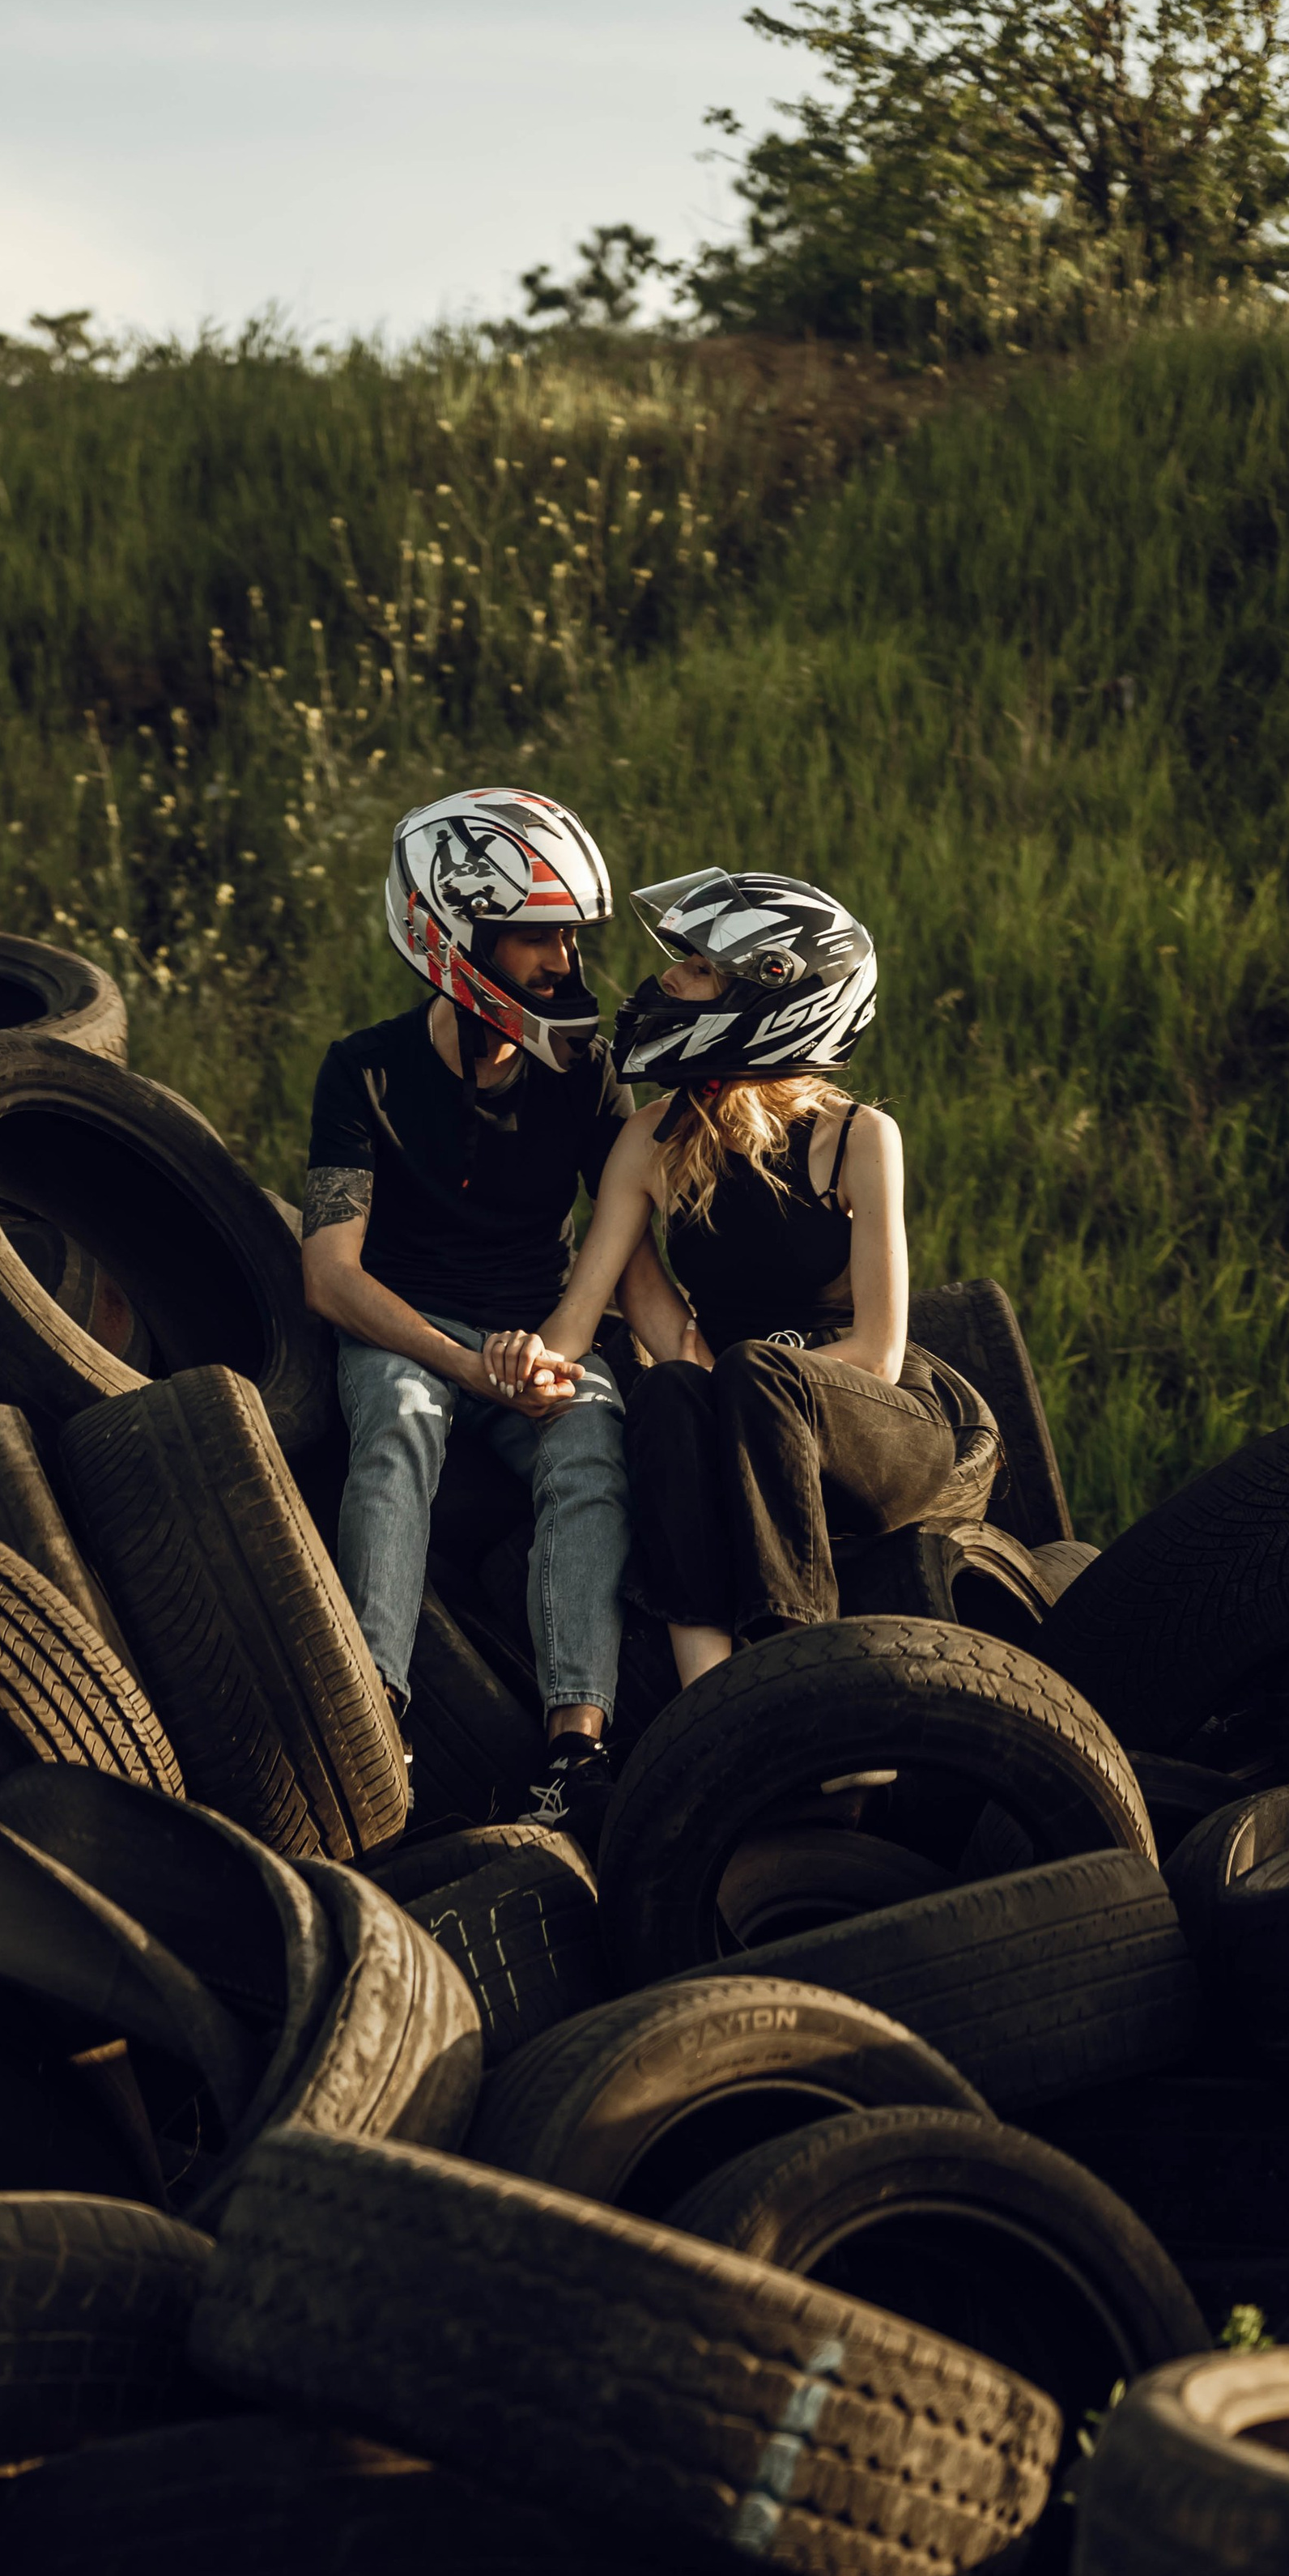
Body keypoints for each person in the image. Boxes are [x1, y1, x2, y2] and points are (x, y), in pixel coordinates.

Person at [530, 865, 998, 1686]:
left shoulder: (858, 1136)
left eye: (700, 968)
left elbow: (880, 1353)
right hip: (735, 1409)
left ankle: (805, 1684)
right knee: (668, 1388)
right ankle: (714, 1699)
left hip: (873, 1431)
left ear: (770, 996)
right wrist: (500, 1370)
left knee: (741, 1369)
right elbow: (579, 1313)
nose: (666, 979)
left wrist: (743, 1377)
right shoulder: (648, 1139)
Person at [301, 785, 646, 1838]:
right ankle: (374, 1717)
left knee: (594, 1437)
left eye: (571, 938)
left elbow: (623, 1233)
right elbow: (330, 1273)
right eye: (537, 937)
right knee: (399, 1429)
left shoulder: (586, 1069)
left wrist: (553, 1357)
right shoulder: (362, 1068)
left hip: (543, 1332)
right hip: (412, 1326)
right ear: (455, 934)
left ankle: (575, 1749)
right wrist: (462, 1366)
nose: (565, 965)